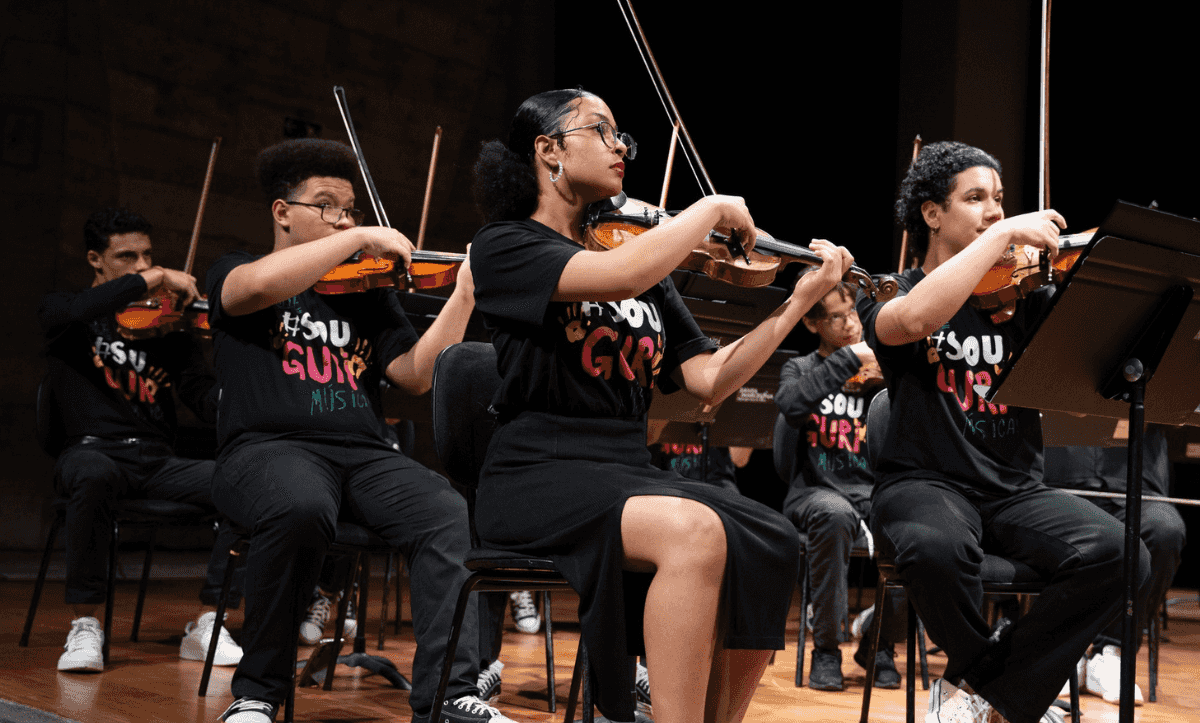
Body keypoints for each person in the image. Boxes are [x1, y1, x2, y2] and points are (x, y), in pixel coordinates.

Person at [468, 88, 850, 723]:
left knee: (774, 537)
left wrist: (799, 302)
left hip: (624, 467)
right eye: (603, 131)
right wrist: (707, 211)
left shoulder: (638, 257)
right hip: (538, 471)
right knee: (694, 533)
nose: (620, 147)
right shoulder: (506, 246)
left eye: (623, 136)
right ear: (549, 150)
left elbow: (708, 379)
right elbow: (621, 279)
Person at [205, 138, 511, 723]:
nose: (342, 220)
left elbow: (415, 375)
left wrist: (465, 293)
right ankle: (258, 694)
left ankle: (450, 696)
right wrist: (358, 236)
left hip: (364, 455)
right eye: (326, 206)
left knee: (445, 510)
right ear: (282, 211)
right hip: (267, 450)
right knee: (300, 505)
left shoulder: (368, 296)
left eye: (348, 210)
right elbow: (250, 291)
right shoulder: (239, 269)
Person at [856, 140, 1151, 723]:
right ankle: (995, 686)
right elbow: (911, 321)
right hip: (924, 483)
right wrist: (1003, 232)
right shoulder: (890, 289)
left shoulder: (1025, 295)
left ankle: (987, 695)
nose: (994, 210)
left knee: (1125, 554)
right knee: (933, 548)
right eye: (975, 198)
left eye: (998, 199)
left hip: (1015, 490)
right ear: (931, 213)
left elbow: (1095, 370)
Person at [38, 207, 243, 673]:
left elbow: (200, 395)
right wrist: (154, 278)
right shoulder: (65, 312)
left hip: (156, 461)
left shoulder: (166, 328)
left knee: (244, 482)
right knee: (91, 475)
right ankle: (86, 624)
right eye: (127, 256)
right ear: (95, 259)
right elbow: (73, 309)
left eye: (148, 255)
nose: (142, 265)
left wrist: (242, 386)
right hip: (90, 451)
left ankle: (211, 621)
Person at [774, 282, 906, 691]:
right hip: (815, 492)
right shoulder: (801, 369)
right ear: (813, 323)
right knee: (833, 514)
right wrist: (848, 359)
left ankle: (879, 643)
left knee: (919, 521)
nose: (852, 323)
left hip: (871, 493)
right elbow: (792, 405)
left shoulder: (879, 373)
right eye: (838, 316)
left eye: (854, 313)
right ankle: (826, 649)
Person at [1044, 428, 1187, 706]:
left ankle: (1112, 654)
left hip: (1135, 483)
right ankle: (1057, 653)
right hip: (1061, 478)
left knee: (1165, 530)